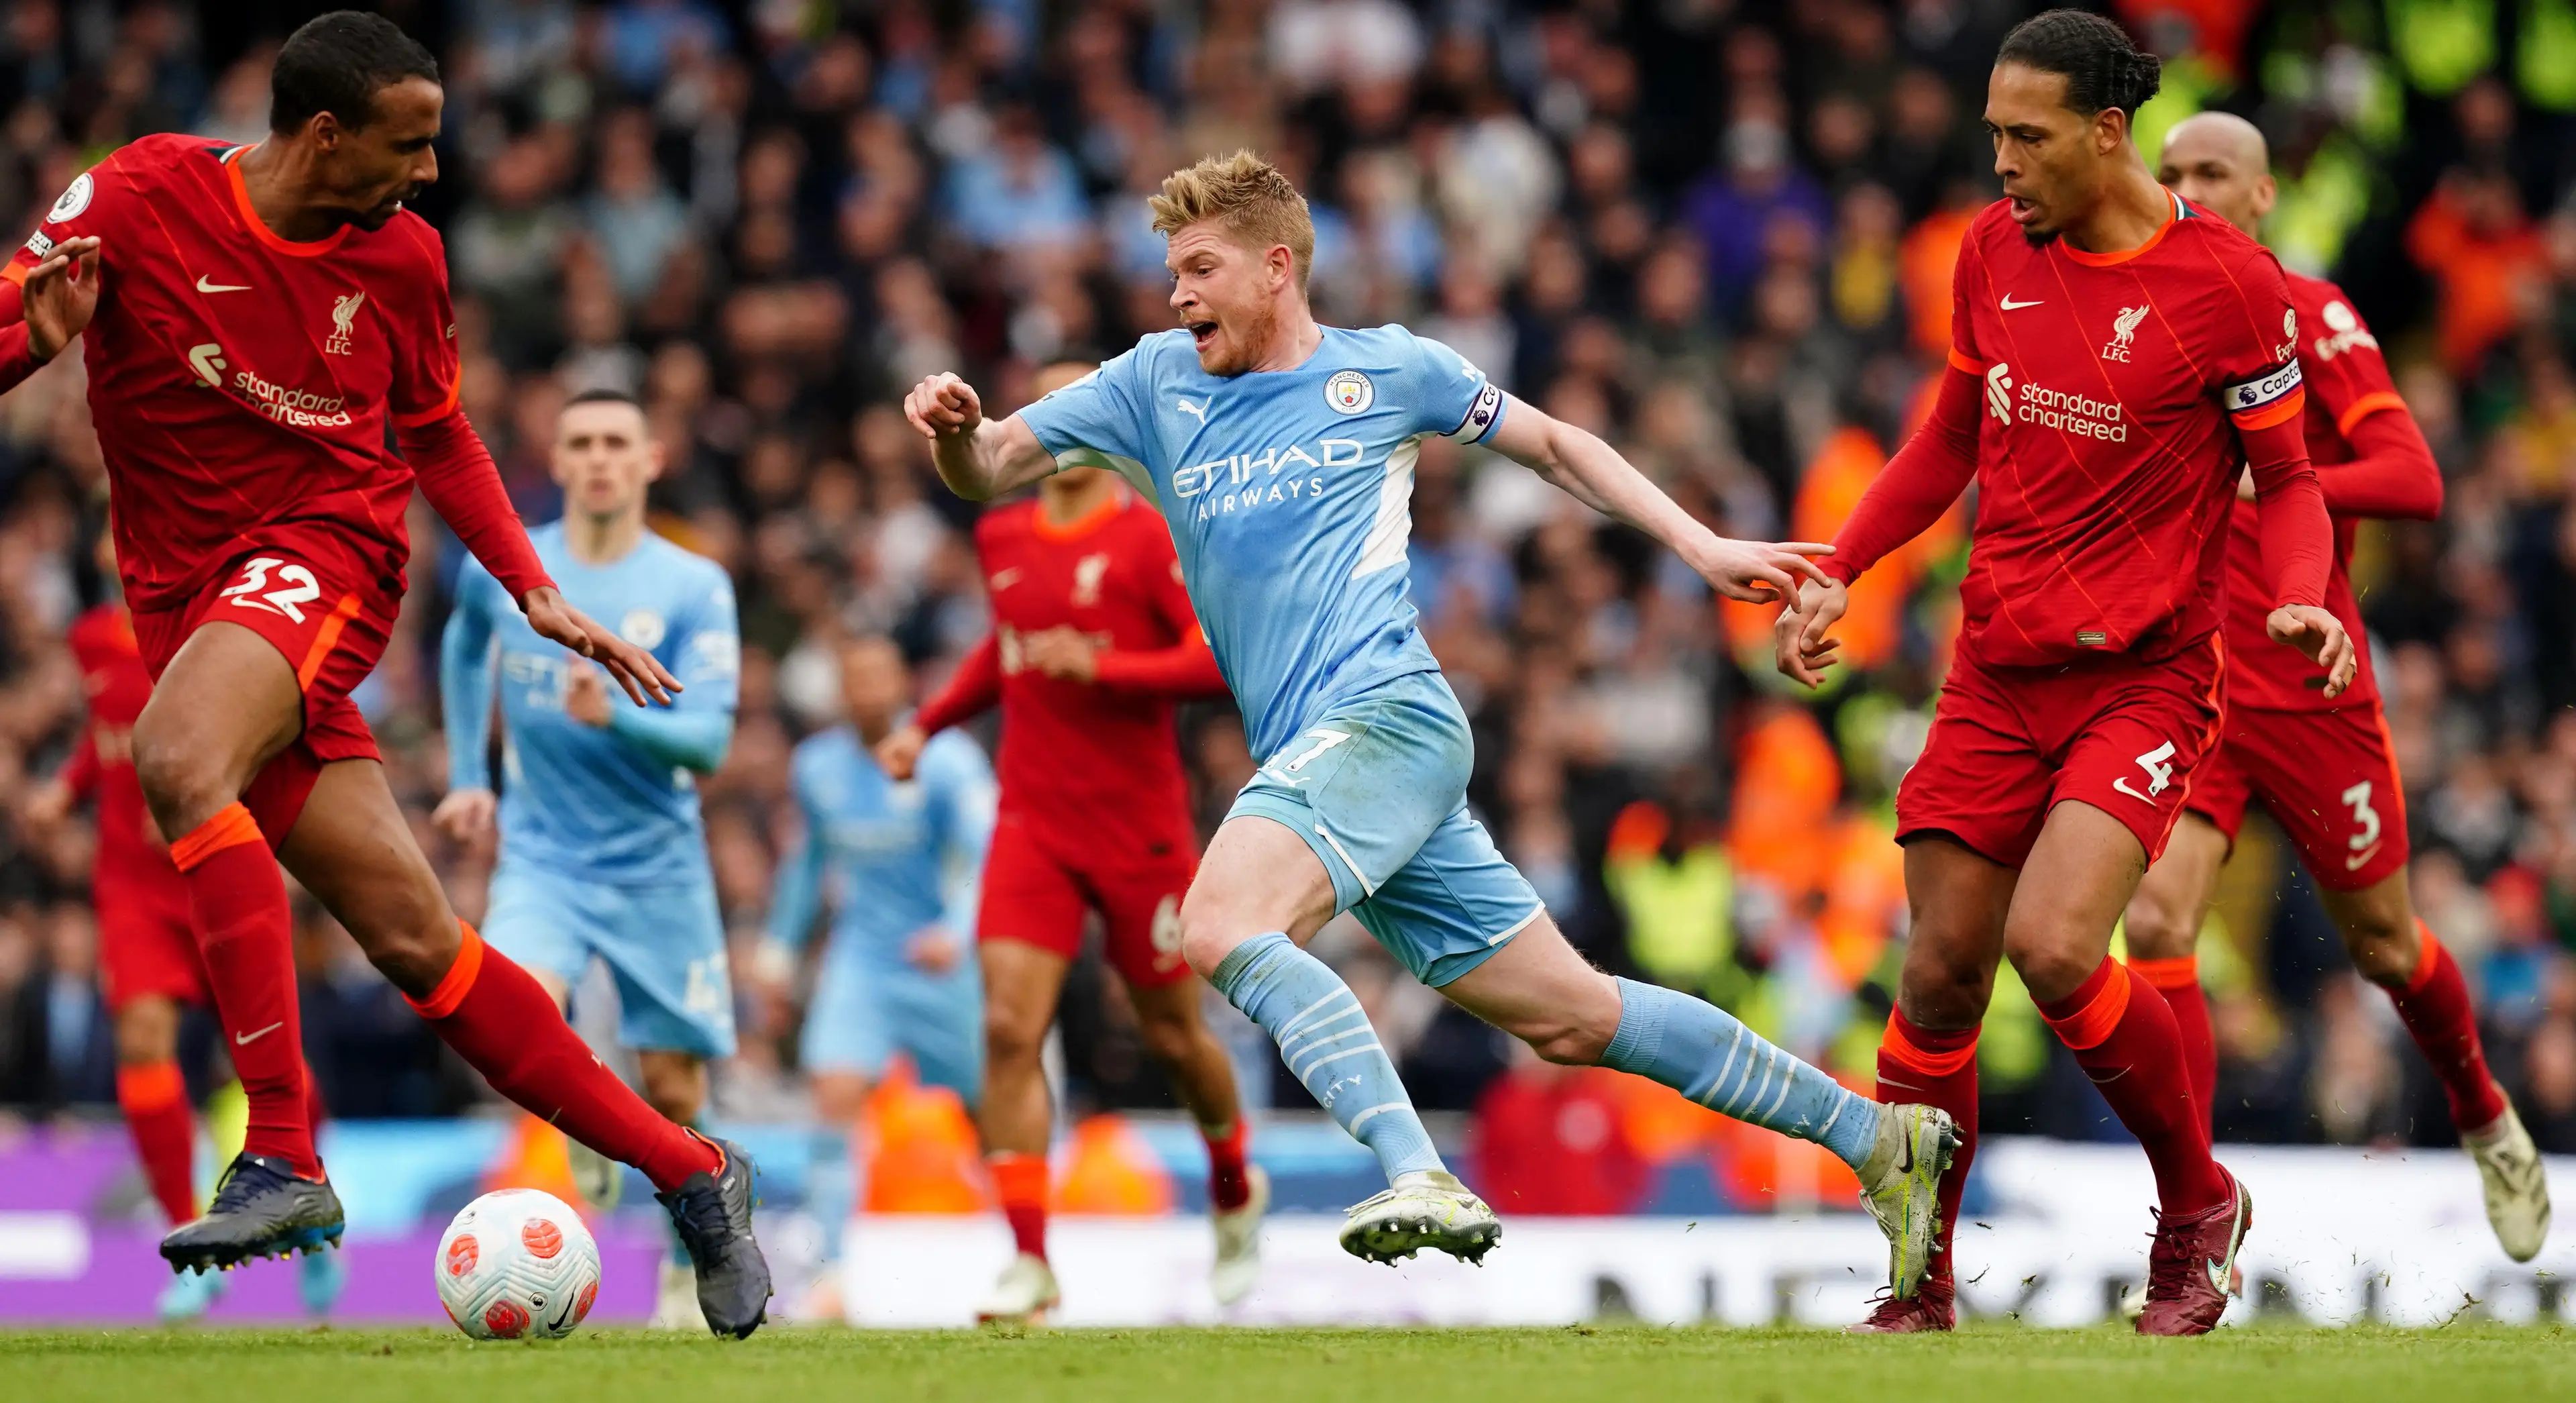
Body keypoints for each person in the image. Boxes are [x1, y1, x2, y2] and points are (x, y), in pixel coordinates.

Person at [899, 148, 1960, 1298]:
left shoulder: (1387, 370)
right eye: (1170, 273)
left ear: (1276, 267)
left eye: (1200, 268)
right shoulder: (1151, 383)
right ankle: (1875, 1136)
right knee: (1573, 1015)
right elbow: (995, 463)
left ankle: (1420, 1171)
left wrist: (1702, 548)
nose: (1176, 294)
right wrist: (957, 431)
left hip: (1389, 717)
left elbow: (1557, 445)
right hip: (1331, 757)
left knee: (1217, 923)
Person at [0, 11, 767, 1334]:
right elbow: (12, 312)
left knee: (176, 757)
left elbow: (438, 430)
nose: (427, 172)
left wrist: (535, 588)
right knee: (420, 944)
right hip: (194, 606)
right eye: (408, 144)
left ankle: (284, 1153)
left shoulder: (403, 261)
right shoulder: (135, 195)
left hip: (328, 554)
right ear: (324, 133)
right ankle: (695, 1173)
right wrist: (36, 340)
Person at [1773, 10, 2355, 1336]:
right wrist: (1840, 569)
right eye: (1992, 135)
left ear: (2107, 132)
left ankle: (2196, 1202)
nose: (2002, 163)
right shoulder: (1994, 253)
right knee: (1938, 979)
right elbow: (1948, 438)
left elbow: (2294, 482)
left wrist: (2308, 600)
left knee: (2054, 944)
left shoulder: (2230, 286)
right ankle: (1919, 1287)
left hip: (2142, 680)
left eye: (2028, 137)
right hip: (1994, 669)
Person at [2139, 111, 2549, 1257]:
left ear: (2265, 198)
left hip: (2311, 676)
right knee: (2155, 920)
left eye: (2213, 172)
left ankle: (2482, 1109)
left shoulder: (2309, 314)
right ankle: (2196, 1208)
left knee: (2384, 945)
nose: (2188, 189)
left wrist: (2276, 479)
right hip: (2191, 679)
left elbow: (2415, 477)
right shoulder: (2133, 319)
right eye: (2169, 174)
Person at [877, 359, 1263, 1323]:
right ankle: (1031, 1259)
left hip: (1138, 828)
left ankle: (1232, 1182)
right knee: (1007, 1028)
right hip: (1033, 822)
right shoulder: (1003, 530)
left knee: (1174, 1033)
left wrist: (1105, 664)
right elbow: (1001, 647)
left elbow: (1213, 659)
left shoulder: (1151, 536)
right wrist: (926, 723)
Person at [434, 387, 744, 1331]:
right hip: (543, 860)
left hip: (660, 865)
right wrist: (467, 772)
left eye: (617, 441)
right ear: (556, 459)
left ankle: (687, 1265)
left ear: (651, 459)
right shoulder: (508, 572)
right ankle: (591, 1127)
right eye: (582, 443)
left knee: (679, 1088)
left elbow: (712, 745)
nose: (600, 457)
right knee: (519, 1004)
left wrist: (618, 714)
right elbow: (461, 646)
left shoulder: (693, 584)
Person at [22, 537, 344, 1322]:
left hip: (213, 867)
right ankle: (185, 1237)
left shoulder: (224, 630)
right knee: (142, 1040)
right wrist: (67, 792)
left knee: (267, 1062)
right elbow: (116, 740)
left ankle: (314, 1202)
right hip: (132, 884)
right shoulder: (93, 637)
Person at [760, 634, 995, 1321]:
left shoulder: (946, 760)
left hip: (940, 963)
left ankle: (1026, 1255)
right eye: (852, 677)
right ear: (840, 688)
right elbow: (808, 866)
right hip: (860, 958)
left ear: (901, 683)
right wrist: (778, 950)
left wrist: (957, 929)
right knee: (834, 1092)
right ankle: (831, 1272)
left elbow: (985, 854)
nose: (865, 689)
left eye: (876, 675)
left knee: (990, 1109)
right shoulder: (817, 767)